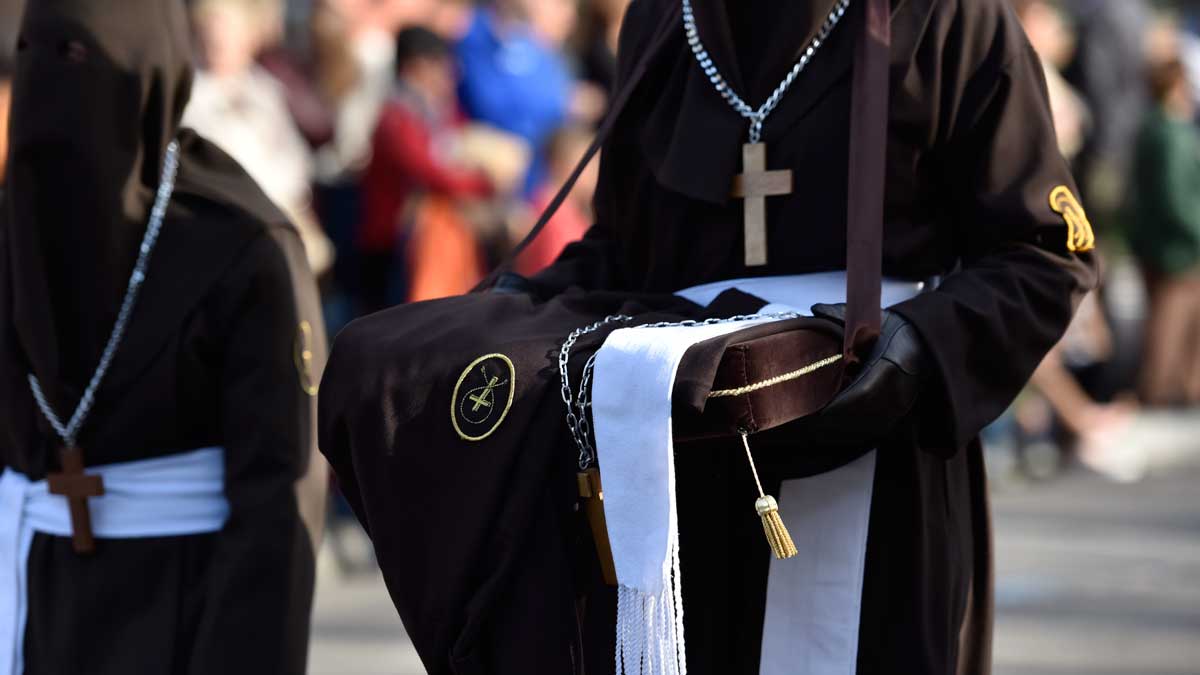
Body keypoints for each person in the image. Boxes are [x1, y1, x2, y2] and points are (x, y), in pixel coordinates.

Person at [319, 0, 1097, 674]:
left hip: (878, 458)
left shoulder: (950, 16)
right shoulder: (664, 19)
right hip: (682, 469)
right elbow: (625, 252)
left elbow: (1043, 252)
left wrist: (920, 349)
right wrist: (508, 311)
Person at [0, 1, 327, 673]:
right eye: (31, 53)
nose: (49, 80)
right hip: (25, 600)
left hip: (182, 611)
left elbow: (277, 496)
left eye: (78, 57)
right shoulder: (12, 231)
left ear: (151, 70)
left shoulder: (242, 247)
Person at [185, 0, 336, 279]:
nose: (218, 41)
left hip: (269, 230)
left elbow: (293, 162)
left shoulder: (267, 91)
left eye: (228, 32)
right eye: (210, 32)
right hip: (218, 232)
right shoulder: (189, 96)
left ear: (250, 38)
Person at [358, 26, 492, 311]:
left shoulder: (433, 111)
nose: (450, 75)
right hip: (393, 243)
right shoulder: (397, 116)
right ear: (417, 67)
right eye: (442, 67)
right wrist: (484, 181)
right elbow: (433, 173)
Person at [1127, 58, 1200, 406]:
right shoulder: (1173, 133)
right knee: (1172, 326)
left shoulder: (1150, 127)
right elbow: (1177, 197)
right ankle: (1163, 392)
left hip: (1157, 244)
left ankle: (1176, 389)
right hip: (1178, 249)